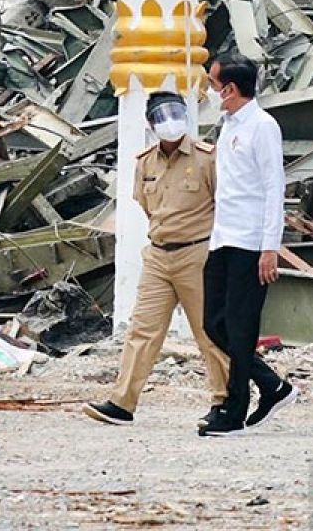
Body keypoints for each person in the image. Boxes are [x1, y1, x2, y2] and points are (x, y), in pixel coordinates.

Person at [84, 91, 229, 426]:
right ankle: (122, 403)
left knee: (209, 332)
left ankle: (224, 400)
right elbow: (146, 206)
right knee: (142, 330)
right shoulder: (145, 162)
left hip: (198, 254)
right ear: (150, 123)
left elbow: (225, 205)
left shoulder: (207, 158)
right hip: (159, 256)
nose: (170, 122)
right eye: (162, 116)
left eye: (175, 113)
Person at [198, 54, 297, 438]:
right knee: (213, 323)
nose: (207, 90)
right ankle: (272, 385)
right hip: (223, 237)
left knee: (240, 329)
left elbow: (275, 188)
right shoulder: (228, 126)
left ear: (230, 89)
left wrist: (269, 247)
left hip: (251, 243)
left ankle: (233, 412)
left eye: (211, 83)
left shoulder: (262, 126)